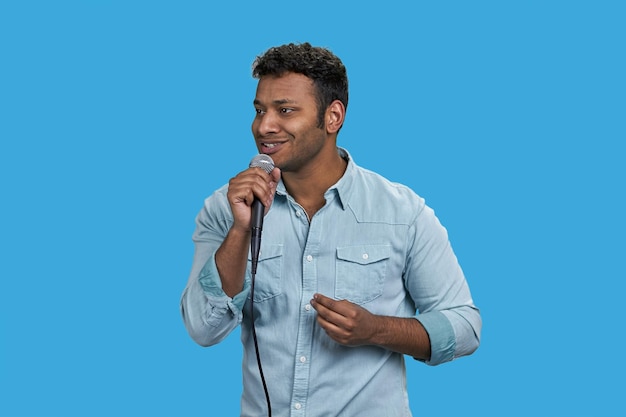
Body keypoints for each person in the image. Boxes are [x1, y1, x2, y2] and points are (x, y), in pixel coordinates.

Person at [180, 42, 481, 417]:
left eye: (284, 110)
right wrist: (241, 230)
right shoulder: (225, 207)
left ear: (333, 117)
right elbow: (202, 329)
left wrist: (376, 330)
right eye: (259, 110)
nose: (264, 126)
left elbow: (465, 326)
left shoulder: (403, 211)